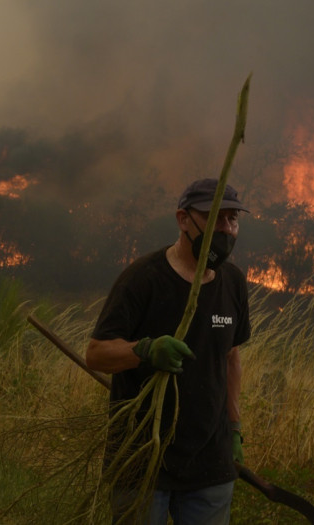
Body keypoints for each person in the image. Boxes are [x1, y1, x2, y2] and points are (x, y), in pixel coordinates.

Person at [86, 178, 251, 525]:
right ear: (183, 219)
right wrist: (144, 350)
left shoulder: (233, 283)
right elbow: (97, 353)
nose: (226, 228)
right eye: (215, 217)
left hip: (210, 463)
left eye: (232, 219)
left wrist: (234, 429)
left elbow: (231, 357)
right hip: (142, 458)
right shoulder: (143, 279)